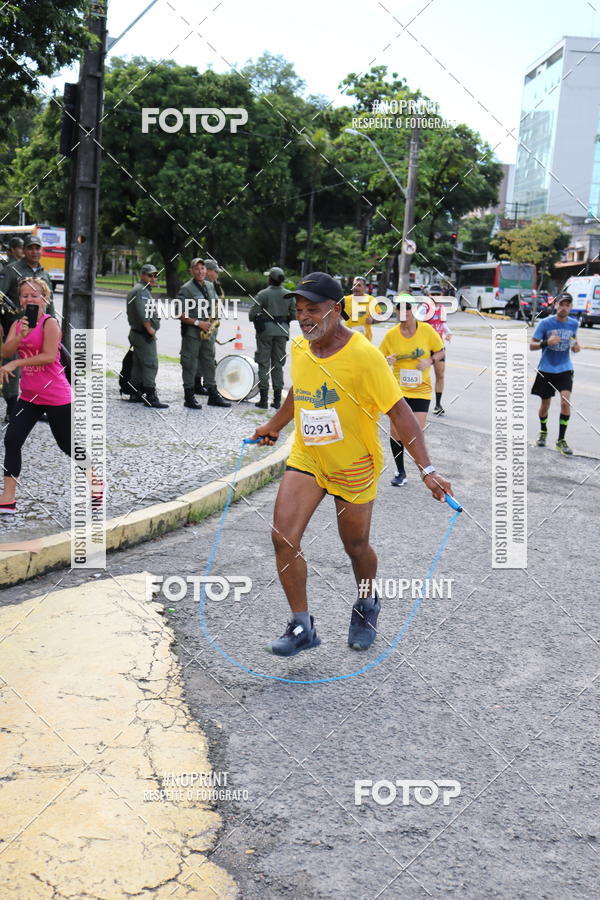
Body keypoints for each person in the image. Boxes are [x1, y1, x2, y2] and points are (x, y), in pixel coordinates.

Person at [249, 272, 452, 658]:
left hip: (354, 464)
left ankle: (367, 602)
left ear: (337, 310)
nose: (304, 318)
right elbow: (299, 391)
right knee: (282, 536)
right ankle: (301, 625)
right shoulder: (300, 346)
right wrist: (273, 426)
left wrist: (426, 469)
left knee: (355, 545)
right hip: (308, 457)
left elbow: (401, 413)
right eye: (299, 310)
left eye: (314, 310)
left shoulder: (364, 357)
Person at [0, 278, 101, 514]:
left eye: (34, 295)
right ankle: (8, 498)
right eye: (25, 295)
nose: (29, 299)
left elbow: (47, 356)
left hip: (56, 395)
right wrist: (19, 335)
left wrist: (17, 362)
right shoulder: (18, 324)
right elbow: (5, 351)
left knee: (67, 445)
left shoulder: (50, 323)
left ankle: (96, 483)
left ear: (44, 299)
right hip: (29, 396)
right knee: (12, 440)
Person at [379, 295, 445, 486]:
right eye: (399, 307)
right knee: (395, 431)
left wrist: (430, 361)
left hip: (421, 390)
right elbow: (378, 358)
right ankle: (400, 471)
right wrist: (386, 361)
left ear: (414, 310)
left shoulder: (426, 331)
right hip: (398, 389)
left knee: (415, 431)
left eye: (407, 307)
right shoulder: (391, 335)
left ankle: (424, 470)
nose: (403, 311)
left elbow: (441, 351)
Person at [0, 234, 55, 422]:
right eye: (30, 248)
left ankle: (37, 405)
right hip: (16, 328)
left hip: (41, 331)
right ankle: (12, 408)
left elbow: (50, 304)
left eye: (37, 248)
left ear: (41, 250)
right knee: (13, 368)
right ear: (24, 250)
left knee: (38, 369)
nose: (34, 251)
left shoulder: (44, 274)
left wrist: (54, 326)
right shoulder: (11, 270)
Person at [530, 292, 580, 455]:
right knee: (545, 405)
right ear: (556, 305)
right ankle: (543, 431)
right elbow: (532, 345)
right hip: (546, 369)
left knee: (565, 402)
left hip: (565, 368)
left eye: (567, 305)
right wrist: (546, 342)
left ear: (571, 307)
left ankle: (561, 440)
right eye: (561, 304)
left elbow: (573, 342)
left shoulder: (573, 323)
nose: (564, 307)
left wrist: (576, 347)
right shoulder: (545, 323)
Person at [178, 258, 230, 410]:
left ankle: (213, 395)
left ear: (205, 270)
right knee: (190, 364)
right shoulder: (186, 289)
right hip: (193, 332)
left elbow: (213, 305)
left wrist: (212, 322)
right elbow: (179, 313)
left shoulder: (209, 285)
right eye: (196, 269)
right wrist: (198, 323)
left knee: (208, 362)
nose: (200, 271)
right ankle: (189, 397)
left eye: (202, 268)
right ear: (191, 271)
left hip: (208, 331)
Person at [249, 266, 296, 409]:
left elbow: (252, 314)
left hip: (265, 332)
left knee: (264, 364)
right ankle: (276, 401)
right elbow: (293, 315)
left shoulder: (263, 294)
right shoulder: (289, 295)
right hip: (282, 332)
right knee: (278, 365)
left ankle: (263, 400)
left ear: (270, 279)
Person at [125, 263, 168, 409]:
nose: (154, 278)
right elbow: (143, 312)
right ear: (142, 275)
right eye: (150, 275)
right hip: (143, 334)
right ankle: (151, 395)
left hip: (137, 333)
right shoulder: (141, 291)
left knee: (138, 364)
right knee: (151, 364)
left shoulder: (141, 289)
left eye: (155, 275)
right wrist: (150, 329)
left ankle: (135, 392)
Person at [423, 284, 452, 416]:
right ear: (429, 295)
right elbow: (416, 321)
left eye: (437, 294)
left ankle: (438, 404)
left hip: (439, 346)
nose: (435, 297)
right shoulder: (425, 307)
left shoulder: (441, 308)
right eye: (432, 294)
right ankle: (416, 403)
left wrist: (448, 332)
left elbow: (442, 322)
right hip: (425, 346)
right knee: (423, 376)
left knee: (440, 375)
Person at [342, 276, 374, 341]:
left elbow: (380, 317)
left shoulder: (371, 300)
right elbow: (338, 316)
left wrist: (373, 320)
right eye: (354, 285)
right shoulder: (345, 300)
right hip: (347, 339)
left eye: (359, 285)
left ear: (365, 288)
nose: (355, 288)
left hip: (365, 339)